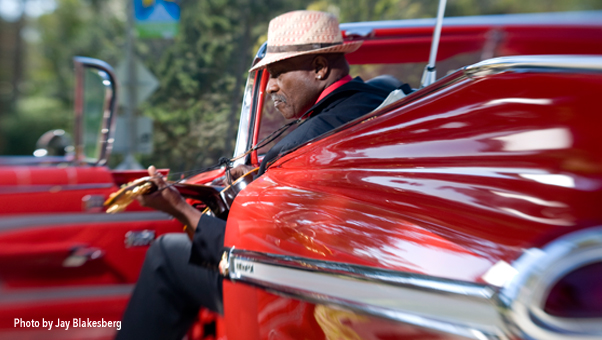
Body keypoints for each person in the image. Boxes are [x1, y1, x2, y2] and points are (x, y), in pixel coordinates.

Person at [116, 10, 394, 340]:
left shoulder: (303, 142)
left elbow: (245, 249)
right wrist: (261, 174)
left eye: (277, 73)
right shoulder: (384, 98)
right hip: (363, 274)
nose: (272, 87)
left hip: (292, 291)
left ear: (320, 68)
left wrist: (179, 208)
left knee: (165, 254)